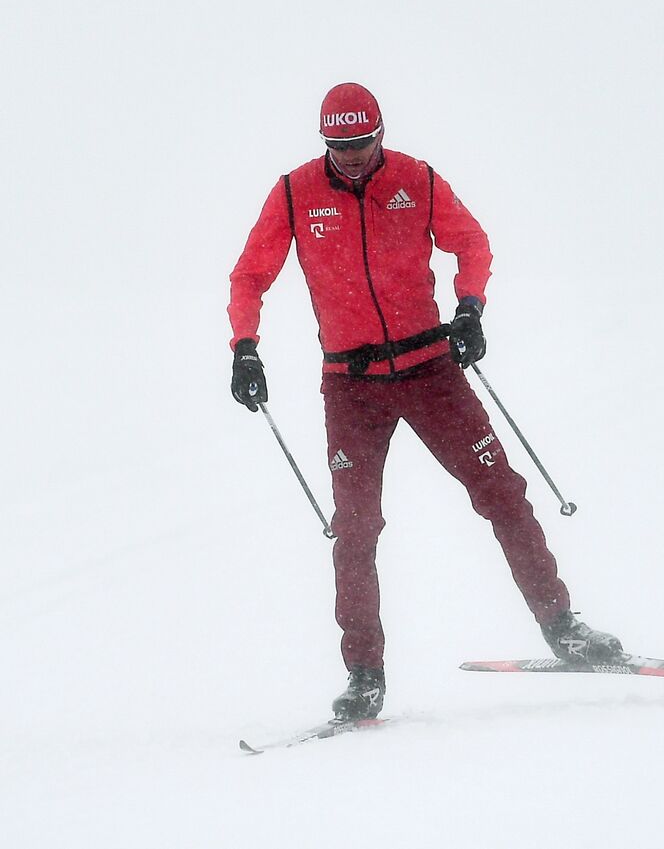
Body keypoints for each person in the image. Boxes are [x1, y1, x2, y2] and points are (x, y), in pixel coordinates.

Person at [227, 82, 624, 722]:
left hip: (430, 370)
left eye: (360, 144)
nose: (350, 157)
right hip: (351, 387)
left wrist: (470, 307)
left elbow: (472, 242)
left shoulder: (417, 179)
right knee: (355, 530)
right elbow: (250, 274)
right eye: (338, 146)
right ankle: (364, 676)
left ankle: (561, 626)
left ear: (380, 135)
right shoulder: (297, 193)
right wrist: (245, 346)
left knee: (502, 492)